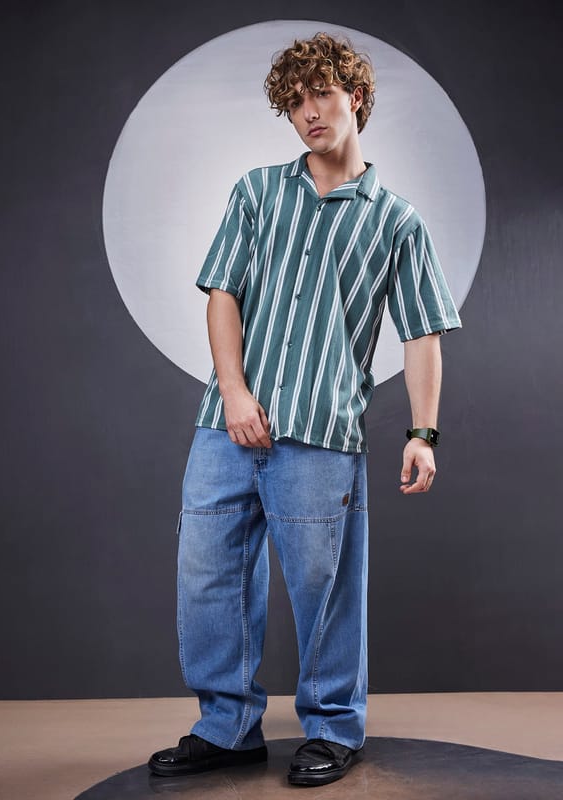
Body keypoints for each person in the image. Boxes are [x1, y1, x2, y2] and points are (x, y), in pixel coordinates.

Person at [148, 32, 461, 787]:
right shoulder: (256, 192)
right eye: (294, 103)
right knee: (209, 578)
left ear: (356, 97)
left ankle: (333, 728)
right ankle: (226, 729)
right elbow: (223, 292)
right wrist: (234, 392)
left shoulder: (396, 220)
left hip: (320, 432)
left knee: (327, 590)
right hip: (226, 425)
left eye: (321, 93)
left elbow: (422, 333)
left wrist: (423, 433)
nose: (309, 112)